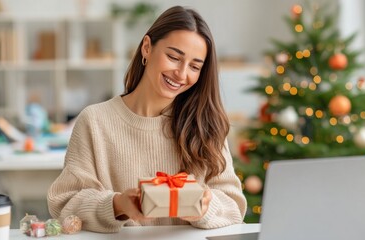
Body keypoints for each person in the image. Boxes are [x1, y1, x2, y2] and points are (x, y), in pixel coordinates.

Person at [47, 5, 247, 233]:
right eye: (173, 57)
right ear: (147, 48)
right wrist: (117, 205)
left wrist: (204, 209)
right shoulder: (95, 121)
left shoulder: (205, 125)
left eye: (194, 66)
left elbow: (234, 206)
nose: (181, 74)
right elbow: (64, 202)